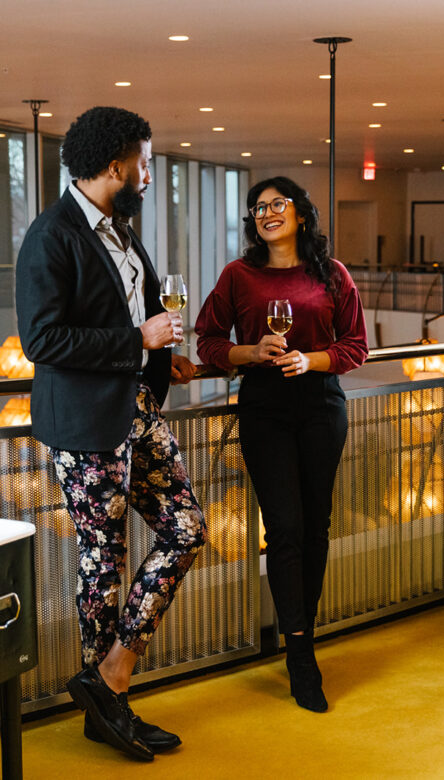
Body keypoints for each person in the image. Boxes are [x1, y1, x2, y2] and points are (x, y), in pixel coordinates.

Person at [16, 106, 206, 762]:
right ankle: (110, 712)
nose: (149, 175)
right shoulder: (50, 234)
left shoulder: (120, 229)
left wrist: (158, 356)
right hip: (84, 426)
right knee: (105, 564)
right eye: (146, 163)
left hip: (138, 407)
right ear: (116, 164)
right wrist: (137, 340)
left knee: (188, 529)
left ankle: (111, 675)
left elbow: (140, 309)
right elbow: (41, 338)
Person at [195, 176, 368, 713]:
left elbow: (356, 346)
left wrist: (309, 359)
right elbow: (208, 338)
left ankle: (302, 637)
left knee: (316, 529)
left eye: (277, 204)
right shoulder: (238, 276)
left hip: (321, 408)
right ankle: (299, 654)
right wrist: (251, 353)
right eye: (257, 207)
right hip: (266, 410)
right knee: (286, 530)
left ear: (299, 213)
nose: (266, 212)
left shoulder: (332, 274)